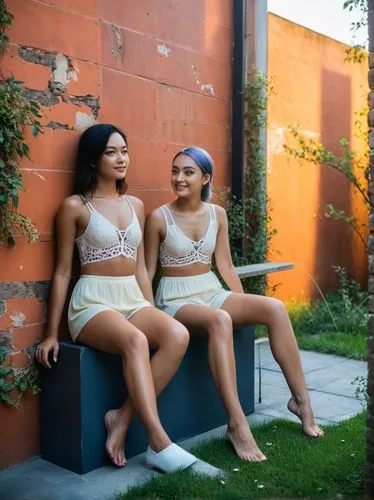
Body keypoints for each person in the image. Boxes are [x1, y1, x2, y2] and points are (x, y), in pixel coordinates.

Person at [145, 146, 324, 463]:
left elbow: (225, 266)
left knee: (274, 308)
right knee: (219, 320)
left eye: (188, 172)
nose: (179, 178)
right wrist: (147, 313)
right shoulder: (158, 218)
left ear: (205, 178)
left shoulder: (218, 214)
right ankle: (237, 424)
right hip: (175, 298)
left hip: (210, 289)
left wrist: (240, 301)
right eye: (175, 170)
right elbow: (147, 272)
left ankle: (302, 401)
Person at [36, 124, 197, 473]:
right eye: (111, 152)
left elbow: (140, 268)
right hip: (92, 302)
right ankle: (158, 442)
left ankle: (121, 418)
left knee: (176, 334)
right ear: (93, 160)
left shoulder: (136, 204)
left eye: (124, 150)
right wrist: (51, 333)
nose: (121, 158)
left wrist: (151, 309)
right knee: (136, 341)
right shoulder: (75, 207)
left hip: (130, 297)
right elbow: (63, 271)